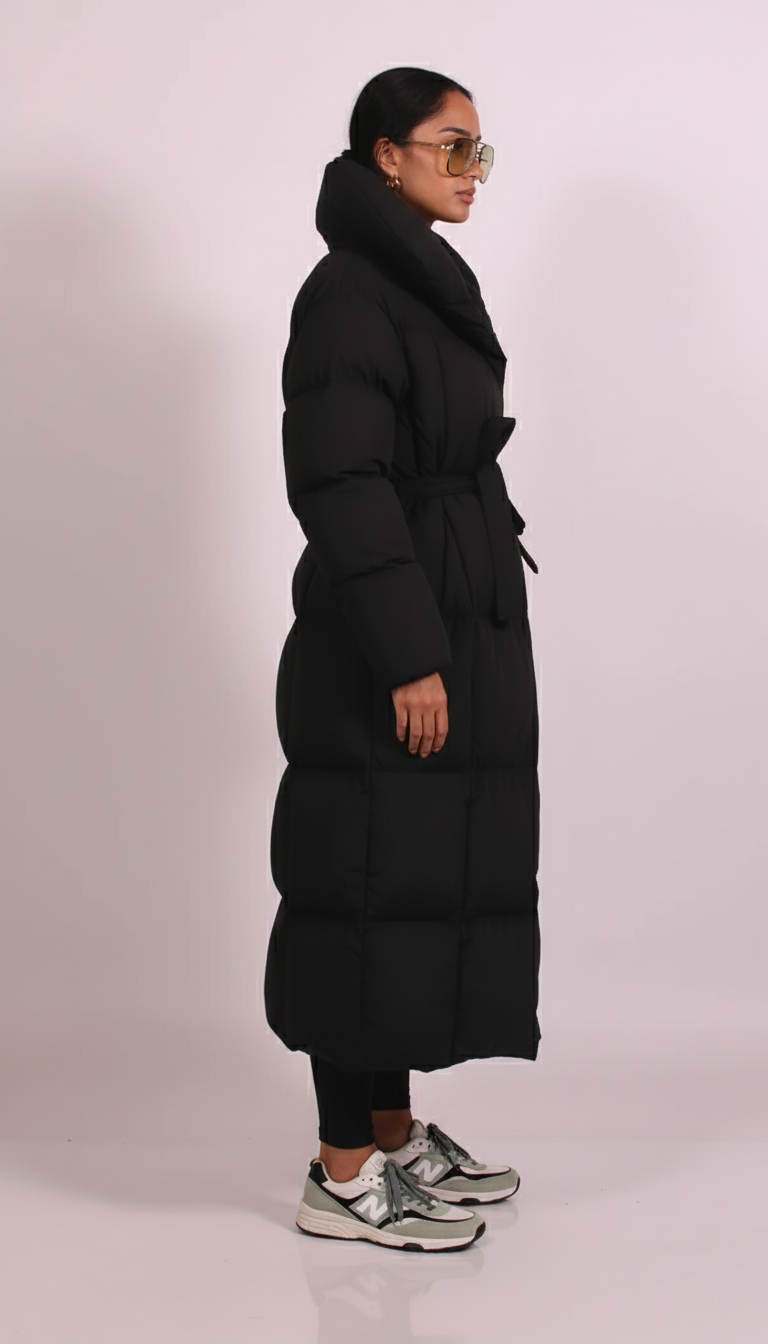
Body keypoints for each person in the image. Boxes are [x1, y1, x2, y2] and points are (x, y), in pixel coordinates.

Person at [265, 66, 541, 1252]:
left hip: (443, 606)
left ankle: (388, 1131)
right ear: (387, 154)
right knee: (363, 889)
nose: (473, 171)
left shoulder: (419, 274)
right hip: (387, 633)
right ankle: (340, 1174)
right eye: (451, 146)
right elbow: (341, 481)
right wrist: (409, 655)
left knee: (410, 880)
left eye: (482, 150)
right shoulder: (347, 294)